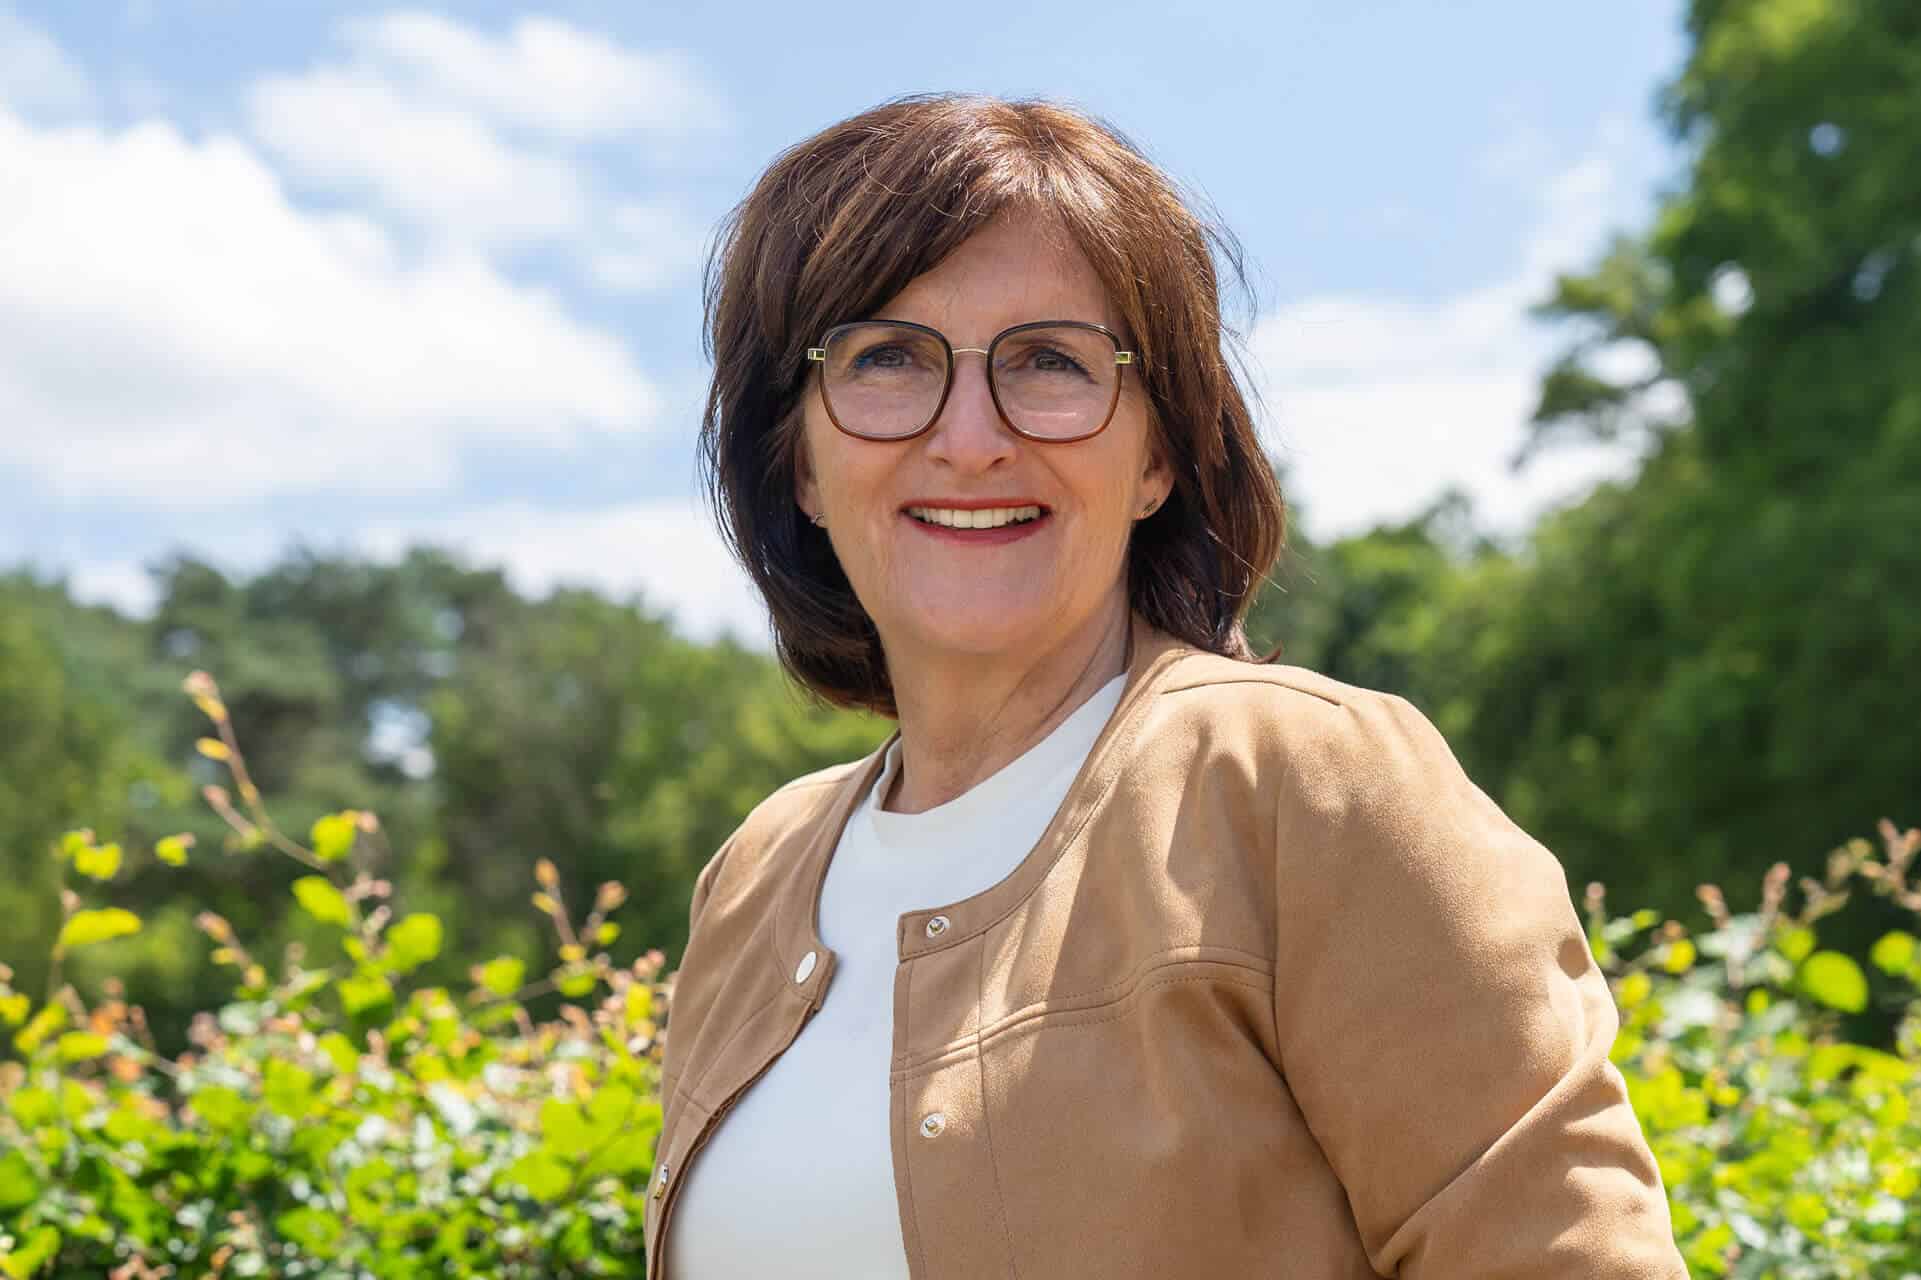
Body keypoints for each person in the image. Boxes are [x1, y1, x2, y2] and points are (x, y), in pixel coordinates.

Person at [644, 93, 1688, 1279]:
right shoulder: (754, 873)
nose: (970, 437)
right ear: (799, 460)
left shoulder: (1306, 785)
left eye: (1049, 360)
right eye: (885, 357)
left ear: (1157, 455)